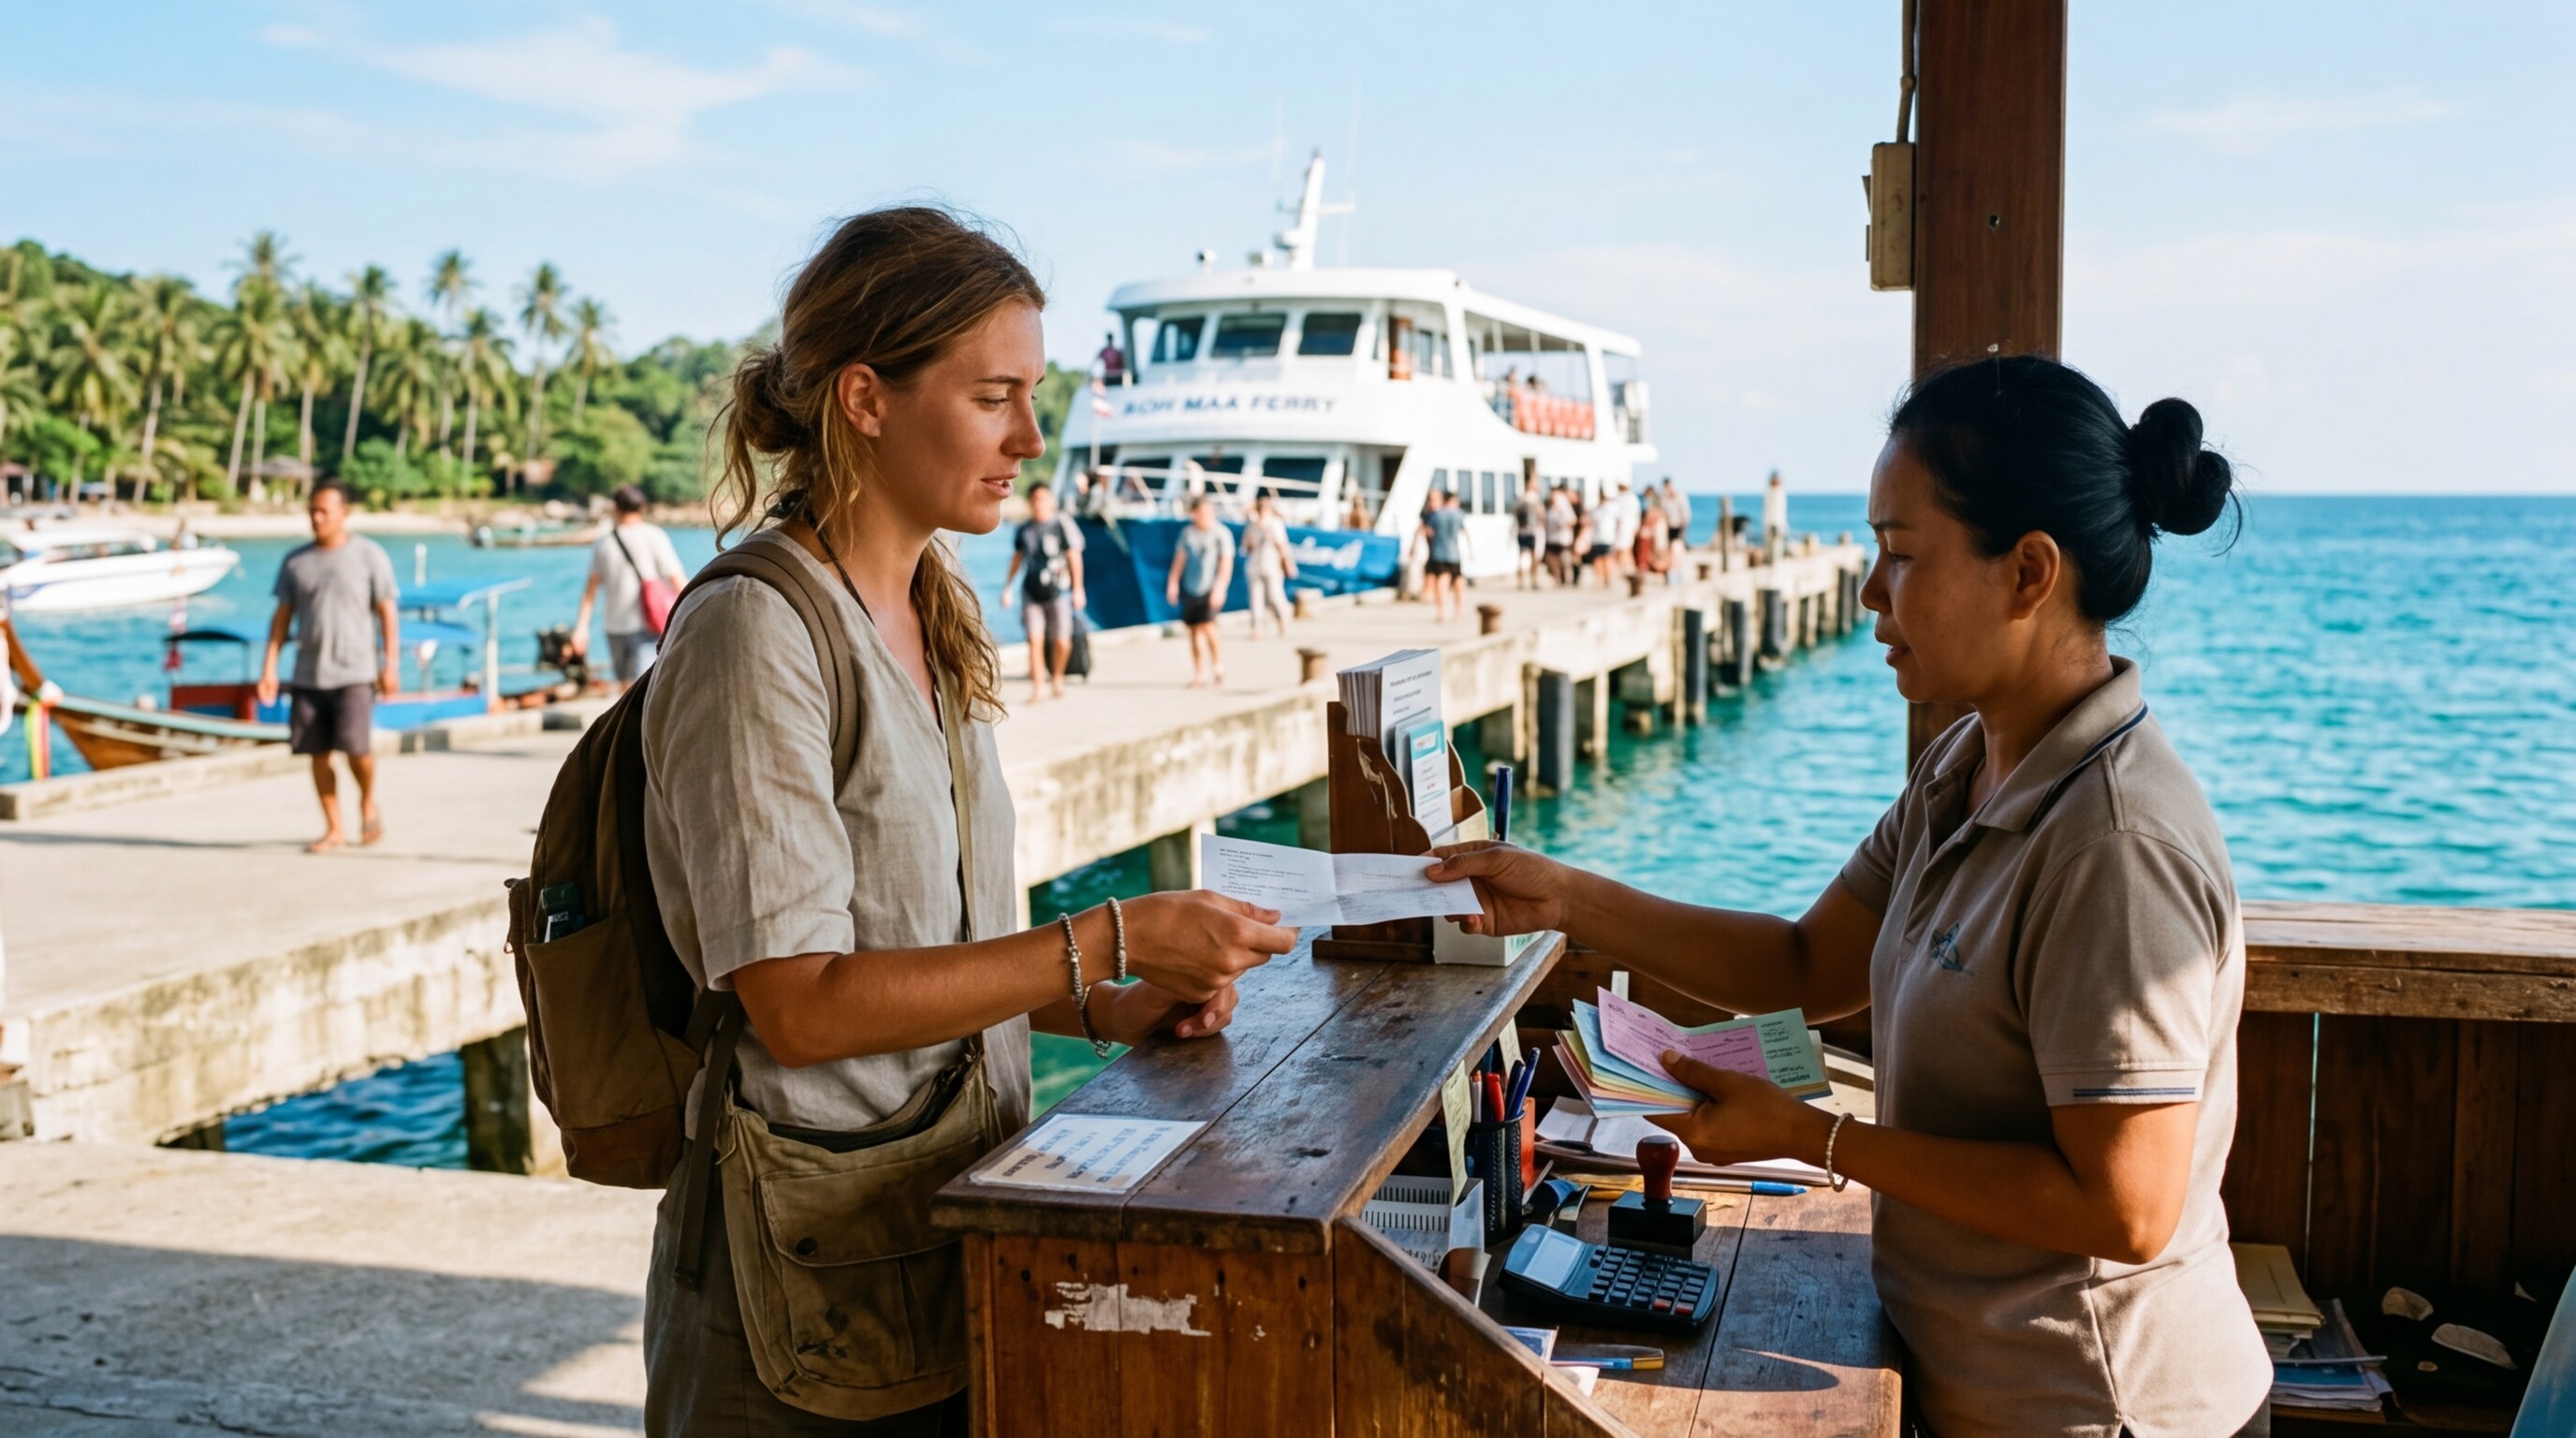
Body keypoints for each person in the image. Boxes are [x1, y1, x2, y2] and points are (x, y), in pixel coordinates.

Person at [1429, 356, 2267, 1438]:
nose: (1869, 592)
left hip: (2104, 1411)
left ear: (2028, 573)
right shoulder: (1969, 761)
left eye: (1901, 555)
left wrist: (1816, 1140)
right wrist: (1561, 895)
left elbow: (2129, 1207)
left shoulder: (2112, 844)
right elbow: (1804, 966)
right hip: (1965, 1375)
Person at [643, 206, 1295, 1433]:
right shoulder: (756, 633)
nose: (1032, 438)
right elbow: (800, 999)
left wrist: (1107, 1007)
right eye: (995, 395)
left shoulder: (935, 608)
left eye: (1033, 396)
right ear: (865, 398)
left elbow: (919, 943)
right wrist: (1108, 939)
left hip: (949, 1226)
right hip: (798, 1283)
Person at [256, 481, 399, 853]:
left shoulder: (369, 555)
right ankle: (334, 827)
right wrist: (269, 667)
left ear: (344, 513)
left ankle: (367, 801)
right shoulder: (295, 562)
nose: (316, 519)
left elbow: (387, 612)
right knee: (317, 753)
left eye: (324, 512)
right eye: (312, 512)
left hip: (356, 672)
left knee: (357, 749)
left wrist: (391, 664)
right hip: (308, 673)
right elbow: (282, 618)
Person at [572, 484, 692, 690]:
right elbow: (678, 581)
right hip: (649, 623)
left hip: (614, 626)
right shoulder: (655, 536)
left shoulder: (604, 543)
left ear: (615, 509)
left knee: (626, 689)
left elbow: (591, 591)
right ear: (642, 509)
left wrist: (581, 629)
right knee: (642, 690)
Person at [1003, 483, 1084, 702]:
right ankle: (1038, 687)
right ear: (1030, 502)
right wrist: (1008, 588)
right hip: (1031, 592)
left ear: (1050, 500)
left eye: (1043, 498)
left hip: (1059, 591)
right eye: (1035, 499)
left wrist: (1078, 589)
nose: (1039, 503)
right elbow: (1017, 559)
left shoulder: (1061, 524)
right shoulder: (1025, 529)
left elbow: (1074, 556)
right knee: (1034, 640)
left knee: (1062, 641)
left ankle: (1057, 677)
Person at [1165, 493, 1234, 686]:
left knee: (1208, 626)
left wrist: (1220, 588)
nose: (1204, 515)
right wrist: (1173, 582)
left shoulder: (1221, 533)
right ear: (1194, 513)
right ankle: (1199, 673)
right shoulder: (1188, 533)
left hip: (1209, 587)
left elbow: (1225, 564)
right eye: (1200, 512)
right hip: (1190, 587)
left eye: (1207, 511)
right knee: (1194, 631)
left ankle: (1218, 665)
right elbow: (1179, 560)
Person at [1241, 490, 1297, 638]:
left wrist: (1288, 563)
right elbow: (1246, 548)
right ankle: (1256, 628)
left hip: (1272, 565)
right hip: (1254, 566)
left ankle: (1282, 620)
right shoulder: (1252, 525)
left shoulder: (1275, 523)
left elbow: (1282, 545)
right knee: (1255, 598)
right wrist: (1254, 529)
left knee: (1274, 596)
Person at [1417, 486, 1469, 622]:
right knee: (1458, 580)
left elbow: (1427, 532)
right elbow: (1463, 532)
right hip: (1454, 553)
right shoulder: (1458, 514)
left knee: (1441, 580)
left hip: (1438, 552)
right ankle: (1458, 610)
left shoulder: (1435, 515)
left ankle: (1441, 612)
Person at [1512, 479, 1544, 589]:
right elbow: (1541, 516)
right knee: (1532, 556)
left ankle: (1521, 581)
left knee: (1521, 556)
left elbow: (1514, 514)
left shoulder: (1520, 500)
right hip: (1531, 531)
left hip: (1522, 531)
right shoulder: (1534, 500)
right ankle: (1533, 580)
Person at [1543, 482, 1576, 587]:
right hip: (1551, 538)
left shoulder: (1564, 506)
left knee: (1565, 561)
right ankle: (1556, 579)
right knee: (1552, 560)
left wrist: (1563, 524)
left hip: (1563, 539)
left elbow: (1573, 520)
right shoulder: (1548, 506)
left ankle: (1567, 581)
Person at [1660, 478, 1692, 552]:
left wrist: (1684, 524)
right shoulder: (1664, 498)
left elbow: (1685, 512)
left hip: (1679, 525)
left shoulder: (1680, 496)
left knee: (1678, 544)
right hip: (1670, 525)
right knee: (1672, 545)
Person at [1763, 467, 1789, 554]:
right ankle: (1770, 556)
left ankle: (1778, 554)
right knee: (1770, 540)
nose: (1775, 480)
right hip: (1771, 521)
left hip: (1778, 521)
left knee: (1779, 541)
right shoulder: (1769, 492)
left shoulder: (1780, 492)